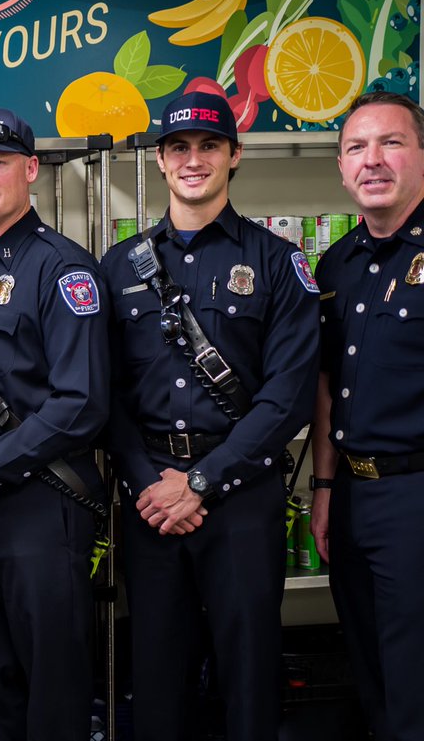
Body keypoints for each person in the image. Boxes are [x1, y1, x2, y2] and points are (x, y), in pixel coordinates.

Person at [101, 91, 319, 741]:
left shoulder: (279, 264)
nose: (192, 159)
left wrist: (199, 482)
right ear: (161, 162)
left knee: (248, 676)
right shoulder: (119, 267)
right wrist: (147, 480)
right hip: (149, 500)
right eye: (178, 148)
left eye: (208, 146)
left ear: (234, 154)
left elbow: (289, 396)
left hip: (243, 497)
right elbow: (102, 393)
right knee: (157, 676)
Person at [0, 107, 110, 741]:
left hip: (43, 506)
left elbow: (81, 403)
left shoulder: (62, 269)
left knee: (51, 688)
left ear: (30, 170)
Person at [310, 91, 424, 741]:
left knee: (414, 683)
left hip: (416, 491)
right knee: (372, 673)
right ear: (342, 167)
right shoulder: (337, 264)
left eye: (391, 143)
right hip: (353, 496)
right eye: (356, 147)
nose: (372, 159)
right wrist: (324, 490)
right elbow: (328, 384)